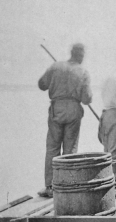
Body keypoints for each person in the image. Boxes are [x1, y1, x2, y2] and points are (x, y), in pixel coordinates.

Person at [37, 43, 92, 197]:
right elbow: (87, 99)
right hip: (73, 110)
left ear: (71, 53)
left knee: (52, 148)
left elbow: (41, 85)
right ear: (81, 56)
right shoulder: (83, 72)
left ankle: (50, 187)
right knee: (70, 150)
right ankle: (67, 186)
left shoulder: (56, 66)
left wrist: (56, 78)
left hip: (57, 108)